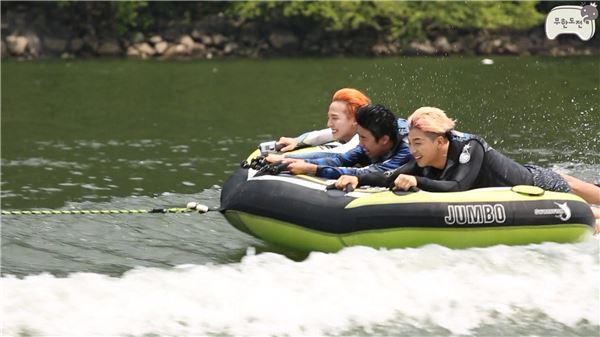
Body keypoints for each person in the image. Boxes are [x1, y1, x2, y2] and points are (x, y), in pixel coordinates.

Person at [334, 106, 600, 232]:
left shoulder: (470, 148)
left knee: (589, 214)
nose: (412, 150)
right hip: (516, 186)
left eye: (417, 143)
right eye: (410, 142)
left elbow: (457, 187)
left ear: (440, 141)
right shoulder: (424, 159)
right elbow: (389, 175)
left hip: (540, 186)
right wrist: (357, 178)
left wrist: (417, 183)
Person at [282, 104, 412, 179]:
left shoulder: (407, 149)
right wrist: (297, 162)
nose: (360, 143)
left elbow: (366, 173)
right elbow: (341, 160)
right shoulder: (368, 142)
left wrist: (313, 169)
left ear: (384, 140)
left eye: (364, 138)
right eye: (359, 137)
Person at [270, 88, 370, 162]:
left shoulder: (362, 138)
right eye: (329, 118)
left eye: (335, 118)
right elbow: (318, 135)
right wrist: (296, 141)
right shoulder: (349, 130)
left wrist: (284, 158)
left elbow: (337, 154)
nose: (329, 124)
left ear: (355, 119)